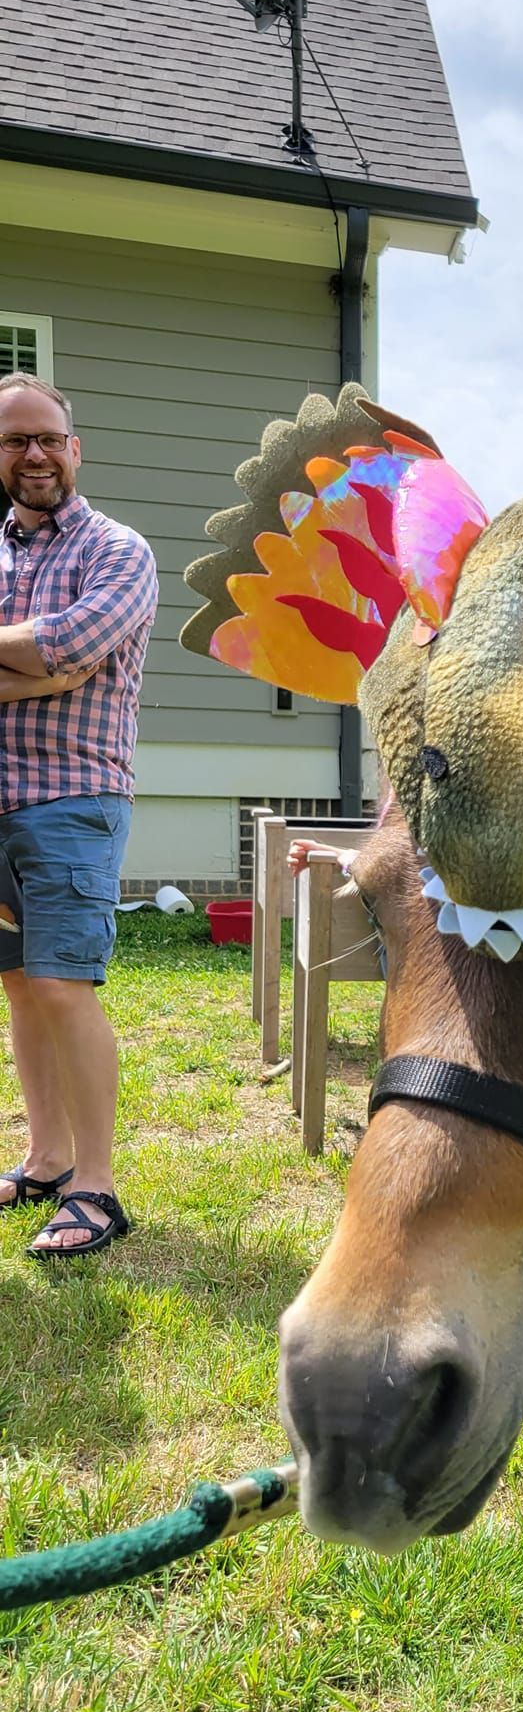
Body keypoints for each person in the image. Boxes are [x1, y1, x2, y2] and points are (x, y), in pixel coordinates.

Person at [0, 371, 159, 1256]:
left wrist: (55, 660)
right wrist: (42, 673)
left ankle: (97, 1189)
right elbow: (52, 661)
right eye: (15, 439)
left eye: (47, 437)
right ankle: (48, 1160)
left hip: (71, 797)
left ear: (75, 448)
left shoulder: (117, 551)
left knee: (63, 984)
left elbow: (75, 644)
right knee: (20, 987)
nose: (33, 453)